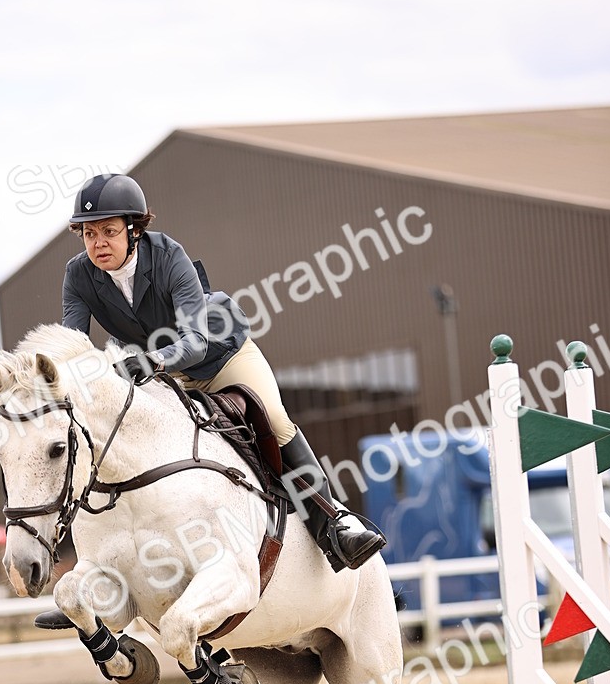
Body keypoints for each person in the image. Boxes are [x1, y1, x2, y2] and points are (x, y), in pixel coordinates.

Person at [60, 172, 385, 572]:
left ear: (134, 229)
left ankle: (335, 524)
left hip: (222, 358)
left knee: (276, 421)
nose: (98, 243)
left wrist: (150, 361)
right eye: (88, 234)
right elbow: (72, 344)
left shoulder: (168, 257)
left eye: (108, 231)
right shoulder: (78, 275)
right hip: (168, 376)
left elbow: (195, 341)